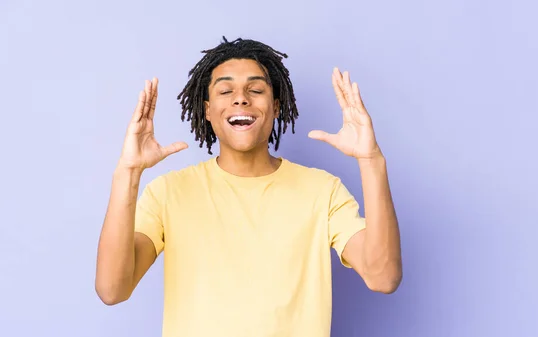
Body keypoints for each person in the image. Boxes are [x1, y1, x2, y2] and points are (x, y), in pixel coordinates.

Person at [95, 37, 402, 337]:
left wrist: (371, 160)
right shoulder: (168, 192)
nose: (240, 98)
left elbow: (383, 276)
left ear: (277, 107)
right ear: (207, 110)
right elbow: (112, 289)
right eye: (226, 90)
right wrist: (129, 172)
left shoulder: (323, 191)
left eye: (255, 89)